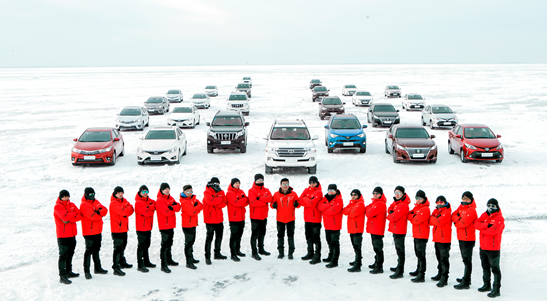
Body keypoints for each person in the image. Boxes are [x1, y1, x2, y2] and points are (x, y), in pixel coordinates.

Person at [475, 198, 505, 298]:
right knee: (485, 268)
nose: (490, 208)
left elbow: (493, 231)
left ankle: (496, 289)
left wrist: (482, 230)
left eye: (493, 206)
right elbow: (476, 224)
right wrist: (487, 225)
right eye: (489, 206)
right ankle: (486, 285)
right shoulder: (485, 215)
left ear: (497, 207)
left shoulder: (499, 218)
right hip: (483, 247)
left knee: (495, 269)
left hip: (493, 249)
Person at [54, 189, 82, 284]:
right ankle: (62, 276)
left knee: (70, 254)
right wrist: (72, 216)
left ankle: (68, 271)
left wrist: (69, 217)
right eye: (64, 196)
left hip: (72, 234)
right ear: (60, 197)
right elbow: (64, 217)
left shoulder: (72, 205)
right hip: (63, 235)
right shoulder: (58, 207)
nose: (66, 198)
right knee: (63, 256)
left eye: (67, 196)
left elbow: (80, 215)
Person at [80, 187, 108, 279]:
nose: (92, 196)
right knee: (88, 251)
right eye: (90, 194)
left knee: (96, 250)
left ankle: (98, 268)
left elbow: (105, 210)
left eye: (93, 194)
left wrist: (98, 212)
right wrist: (100, 214)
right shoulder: (84, 205)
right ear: (86, 195)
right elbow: (93, 216)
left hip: (97, 230)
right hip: (89, 232)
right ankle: (87, 271)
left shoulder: (96, 202)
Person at [452, 191, 477, 290]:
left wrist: (457, 222)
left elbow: (462, 223)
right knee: (465, 260)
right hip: (461, 237)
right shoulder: (460, 207)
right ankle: (466, 278)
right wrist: (458, 219)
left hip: (468, 239)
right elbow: (453, 216)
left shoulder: (471, 210)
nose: (464, 200)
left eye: (467, 198)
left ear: (471, 199)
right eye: (463, 198)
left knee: (467, 261)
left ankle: (466, 281)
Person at [271, 178, 300, 259]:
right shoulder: (276, 194)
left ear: (288, 185)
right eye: (283, 184)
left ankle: (291, 253)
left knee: (290, 236)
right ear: (280, 185)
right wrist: (273, 206)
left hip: (290, 219)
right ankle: (281, 252)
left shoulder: (293, 194)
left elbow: (298, 204)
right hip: (280, 219)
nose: (285, 186)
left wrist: (297, 204)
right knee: (280, 236)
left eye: (286, 184)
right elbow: (272, 203)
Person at [109, 186, 134, 276]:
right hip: (117, 229)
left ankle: (122, 262)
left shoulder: (124, 200)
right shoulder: (113, 203)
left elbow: (131, 209)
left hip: (124, 228)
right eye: (119, 192)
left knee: (123, 247)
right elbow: (123, 212)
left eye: (122, 192)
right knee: (117, 248)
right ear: (115, 193)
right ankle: (116, 267)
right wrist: (125, 210)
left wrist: (125, 209)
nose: (120, 194)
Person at [156, 182, 180, 273]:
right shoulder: (160, 200)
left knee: (170, 243)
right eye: (165, 189)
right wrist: (172, 208)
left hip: (171, 225)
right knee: (164, 245)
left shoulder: (171, 198)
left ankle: (169, 260)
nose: (167, 190)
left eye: (168, 189)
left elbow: (178, 207)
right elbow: (166, 212)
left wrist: (171, 208)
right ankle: (163, 264)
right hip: (164, 226)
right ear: (161, 190)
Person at [387, 186, 410, 279]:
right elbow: (390, 208)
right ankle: (398, 266)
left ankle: (400, 270)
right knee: (398, 249)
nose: (397, 195)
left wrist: (390, 214)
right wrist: (391, 212)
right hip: (395, 229)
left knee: (400, 251)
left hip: (400, 230)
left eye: (399, 193)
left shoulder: (403, 205)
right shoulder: (396, 202)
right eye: (395, 192)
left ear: (403, 194)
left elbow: (393, 216)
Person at [248, 173, 273, 260]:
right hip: (255, 216)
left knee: (262, 233)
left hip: (264, 216)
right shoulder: (251, 191)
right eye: (258, 180)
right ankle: (254, 252)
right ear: (255, 181)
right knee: (255, 234)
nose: (260, 181)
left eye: (261, 180)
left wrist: (260, 198)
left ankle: (261, 249)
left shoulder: (266, 190)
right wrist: (264, 201)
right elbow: (253, 202)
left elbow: (270, 199)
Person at [203, 177, 228, 265]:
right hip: (210, 219)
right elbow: (210, 201)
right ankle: (207, 257)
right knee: (209, 239)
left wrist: (216, 201)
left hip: (219, 219)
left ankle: (217, 253)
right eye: (216, 184)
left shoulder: (221, 191)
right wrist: (219, 200)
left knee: (219, 237)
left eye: (218, 184)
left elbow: (224, 203)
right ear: (212, 183)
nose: (217, 186)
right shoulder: (207, 192)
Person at [318, 184, 344, 268]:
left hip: (335, 225)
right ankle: (330, 256)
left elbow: (334, 211)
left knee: (335, 243)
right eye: (329, 190)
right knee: (329, 242)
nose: (331, 192)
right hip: (327, 225)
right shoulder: (325, 198)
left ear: (336, 191)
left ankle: (334, 260)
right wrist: (328, 206)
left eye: (333, 190)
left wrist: (324, 210)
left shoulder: (339, 199)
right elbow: (319, 206)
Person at [299, 176, 323, 264]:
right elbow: (299, 200)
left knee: (316, 238)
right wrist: (308, 200)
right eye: (310, 182)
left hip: (315, 219)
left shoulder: (319, 192)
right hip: (307, 218)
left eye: (313, 182)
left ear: (317, 183)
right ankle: (310, 253)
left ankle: (317, 256)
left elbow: (313, 204)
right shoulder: (306, 190)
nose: (312, 184)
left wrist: (305, 199)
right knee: (308, 237)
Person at [407, 190, 430, 283]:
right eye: (417, 198)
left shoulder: (425, 209)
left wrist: (414, 217)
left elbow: (416, 220)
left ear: (424, 199)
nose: (418, 200)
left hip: (422, 235)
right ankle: (418, 270)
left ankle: (421, 274)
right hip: (416, 234)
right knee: (418, 254)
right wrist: (414, 216)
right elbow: (409, 215)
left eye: (420, 198)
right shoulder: (416, 208)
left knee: (421, 255)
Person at [429, 196, 452, 287]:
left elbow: (438, 221)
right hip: (437, 238)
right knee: (439, 258)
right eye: (438, 202)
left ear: (445, 203)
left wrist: (434, 218)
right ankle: (440, 273)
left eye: (441, 202)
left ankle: (444, 277)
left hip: (444, 239)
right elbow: (430, 221)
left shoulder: (446, 212)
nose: (439, 203)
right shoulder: (437, 211)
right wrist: (434, 219)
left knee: (444, 259)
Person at [180, 184, 203, 270]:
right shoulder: (184, 201)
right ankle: (188, 262)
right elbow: (192, 212)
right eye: (188, 191)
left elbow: (201, 206)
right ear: (184, 192)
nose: (190, 193)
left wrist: (195, 208)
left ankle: (191, 258)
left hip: (193, 224)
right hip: (187, 225)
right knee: (188, 243)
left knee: (192, 242)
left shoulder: (193, 199)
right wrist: (196, 208)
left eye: (191, 191)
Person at [226, 178, 250, 262]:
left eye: (238, 183)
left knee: (239, 236)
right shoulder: (229, 193)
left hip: (242, 217)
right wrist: (242, 200)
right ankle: (233, 254)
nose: (237, 184)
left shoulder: (241, 191)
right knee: (234, 236)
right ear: (232, 184)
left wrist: (242, 201)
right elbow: (236, 203)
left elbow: (247, 202)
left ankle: (237, 250)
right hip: (234, 218)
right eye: (236, 183)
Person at [135, 185, 156, 273]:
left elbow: (155, 205)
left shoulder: (149, 200)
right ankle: (140, 264)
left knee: (147, 245)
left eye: (146, 191)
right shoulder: (138, 202)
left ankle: (146, 262)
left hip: (148, 226)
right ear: (140, 192)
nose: (145, 193)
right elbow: (147, 213)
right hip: (141, 227)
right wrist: (150, 208)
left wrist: (149, 207)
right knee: (141, 246)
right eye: (143, 192)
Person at [342, 189, 365, 272]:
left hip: (357, 229)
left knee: (357, 247)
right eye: (352, 194)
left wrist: (349, 210)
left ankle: (357, 265)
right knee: (355, 246)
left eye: (355, 195)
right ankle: (357, 260)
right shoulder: (352, 203)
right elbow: (344, 211)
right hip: (352, 228)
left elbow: (353, 213)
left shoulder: (360, 204)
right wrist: (349, 210)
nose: (353, 196)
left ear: (358, 195)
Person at [366, 187, 387, 274]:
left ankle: (379, 266)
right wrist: (370, 209)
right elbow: (367, 208)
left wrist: (370, 210)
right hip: (374, 228)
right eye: (374, 193)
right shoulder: (375, 203)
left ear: (381, 194)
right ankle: (376, 263)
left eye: (377, 193)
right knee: (376, 248)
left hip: (377, 229)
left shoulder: (380, 204)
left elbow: (369, 213)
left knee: (378, 249)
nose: (375, 195)